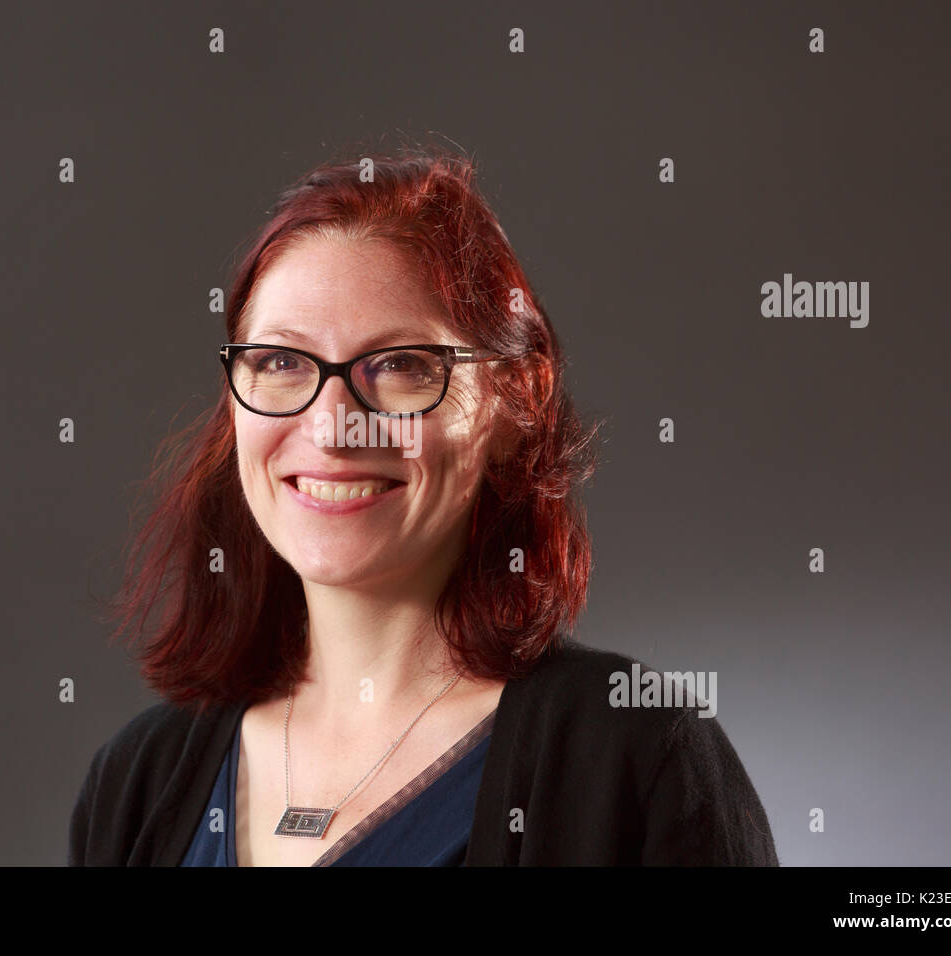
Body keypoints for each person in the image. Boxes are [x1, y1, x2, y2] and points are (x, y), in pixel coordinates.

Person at [68, 145, 778, 866]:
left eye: (402, 366)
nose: (332, 427)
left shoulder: (637, 755)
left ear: (514, 401)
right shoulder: (135, 784)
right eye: (281, 362)